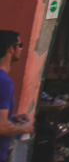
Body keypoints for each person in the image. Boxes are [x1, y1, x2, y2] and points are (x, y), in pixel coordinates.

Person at [0, 31, 32, 162]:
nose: (21, 49)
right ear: (11, 49)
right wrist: (25, 128)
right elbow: (1, 127)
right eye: (20, 45)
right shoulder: (4, 82)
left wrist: (11, 117)